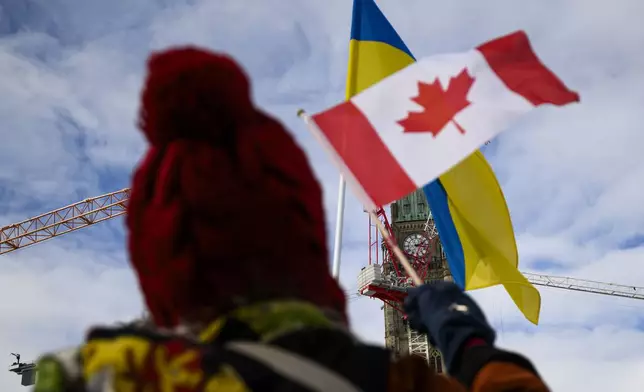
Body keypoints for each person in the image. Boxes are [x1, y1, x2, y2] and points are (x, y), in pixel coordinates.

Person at [33, 47, 550, 392]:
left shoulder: (110, 375)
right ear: (303, 238)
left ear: (160, 263)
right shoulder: (399, 384)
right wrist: (467, 342)